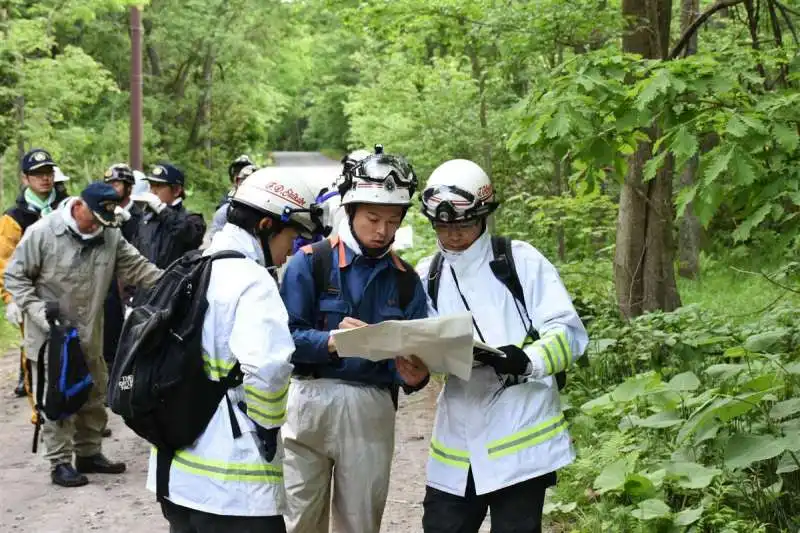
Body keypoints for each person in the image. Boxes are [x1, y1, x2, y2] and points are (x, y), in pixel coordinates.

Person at [415, 159, 589, 533]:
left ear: (483, 217)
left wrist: (528, 360)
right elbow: (423, 344)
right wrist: (415, 367)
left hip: (521, 440)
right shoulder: (427, 274)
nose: (453, 235)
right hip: (457, 443)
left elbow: (568, 333)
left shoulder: (519, 260)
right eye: (443, 226)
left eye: (462, 225)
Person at [150, 169, 325, 533]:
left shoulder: (193, 266)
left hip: (176, 476)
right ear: (265, 225)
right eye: (291, 237)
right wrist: (266, 432)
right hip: (234, 485)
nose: (289, 250)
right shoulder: (253, 281)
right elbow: (269, 370)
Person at [279, 145, 431, 533]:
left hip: (371, 406)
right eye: (373, 218)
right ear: (349, 210)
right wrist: (330, 340)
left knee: (361, 523)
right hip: (308, 401)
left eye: (393, 220)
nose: (383, 231)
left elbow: (419, 355)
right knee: (298, 521)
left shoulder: (406, 280)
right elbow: (283, 341)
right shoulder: (310, 262)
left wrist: (416, 377)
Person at [5, 182, 163, 487]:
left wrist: (175, 282)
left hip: (90, 332)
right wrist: (37, 312)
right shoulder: (43, 233)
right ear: (79, 206)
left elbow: (138, 268)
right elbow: (15, 276)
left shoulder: (109, 234)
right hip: (52, 337)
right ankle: (60, 463)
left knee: (94, 393)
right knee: (58, 398)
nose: (98, 228)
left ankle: (89, 453)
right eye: (94, 220)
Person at [0, 149, 67, 401]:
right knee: (35, 354)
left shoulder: (66, 208)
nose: (44, 179)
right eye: (37, 174)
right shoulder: (13, 218)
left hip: (68, 292)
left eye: (48, 172)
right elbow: (3, 261)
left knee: (74, 352)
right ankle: (40, 410)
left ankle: (76, 413)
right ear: (25, 178)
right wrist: (11, 299)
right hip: (30, 295)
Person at [130, 163, 205, 302]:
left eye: (158, 186)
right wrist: (130, 297)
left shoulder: (192, 219)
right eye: (151, 185)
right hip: (143, 298)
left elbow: (188, 234)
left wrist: (162, 210)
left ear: (176, 190)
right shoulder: (146, 219)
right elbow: (134, 257)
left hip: (173, 298)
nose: (153, 191)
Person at [102, 164, 144, 369]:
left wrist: (127, 223)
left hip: (132, 285)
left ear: (129, 187)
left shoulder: (141, 216)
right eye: (108, 183)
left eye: (116, 183)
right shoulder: (102, 214)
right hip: (107, 285)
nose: (112, 188)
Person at [207, 163, 258, 241]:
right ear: (237, 182)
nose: (249, 188)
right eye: (245, 182)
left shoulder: (267, 215)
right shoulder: (224, 212)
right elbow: (215, 243)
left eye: (255, 183)